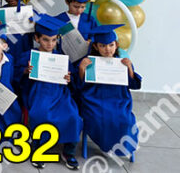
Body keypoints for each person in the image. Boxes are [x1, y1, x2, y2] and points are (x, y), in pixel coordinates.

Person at [16, 14, 82, 170]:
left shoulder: (61, 58)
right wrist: (25, 71)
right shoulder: (29, 56)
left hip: (60, 94)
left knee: (73, 117)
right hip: (37, 92)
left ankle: (68, 152)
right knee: (41, 114)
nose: (50, 44)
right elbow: (14, 75)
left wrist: (69, 78)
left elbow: (72, 80)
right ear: (37, 38)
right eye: (46, 40)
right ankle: (38, 148)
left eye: (53, 40)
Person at [77, 25, 141, 158]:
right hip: (94, 100)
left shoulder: (122, 62)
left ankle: (122, 148)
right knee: (99, 118)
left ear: (116, 45)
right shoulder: (89, 62)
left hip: (119, 100)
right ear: (96, 47)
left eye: (111, 45)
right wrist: (82, 69)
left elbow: (134, 84)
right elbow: (80, 86)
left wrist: (129, 68)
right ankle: (105, 145)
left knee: (125, 120)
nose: (107, 49)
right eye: (102, 46)